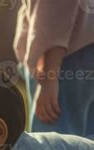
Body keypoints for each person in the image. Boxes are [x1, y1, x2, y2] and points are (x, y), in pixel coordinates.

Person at [13, 0, 94, 135]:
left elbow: (56, 7)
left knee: (53, 148)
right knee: (86, 147)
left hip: (62, 60)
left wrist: (49, 77)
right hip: (81, 52)